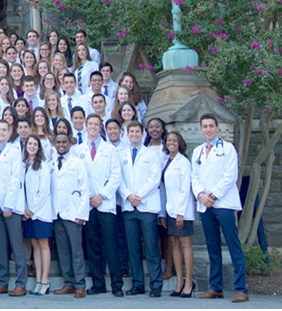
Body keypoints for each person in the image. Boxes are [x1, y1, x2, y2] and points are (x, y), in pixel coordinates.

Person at [192, 114, 248, 302]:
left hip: (223, 203)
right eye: (205, 126)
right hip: (205, 204)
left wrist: (213, 195)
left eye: (211, 126)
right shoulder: (198, 151)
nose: (208, 129)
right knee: (212, 246)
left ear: (217, 128)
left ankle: (241, 288)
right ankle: (215, 287)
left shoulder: (228, 148)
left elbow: (230, 175)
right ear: (201, 129)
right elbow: (194, 177)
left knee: (233, 245)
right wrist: (201, 195)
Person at [74, 114, 124, 297]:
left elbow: (116, 176)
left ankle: (117, 284)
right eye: (90, 124)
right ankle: (98, 283)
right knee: (93, 246)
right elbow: (77, 177)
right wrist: (88, 197)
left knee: (110, 245)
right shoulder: (78, 150)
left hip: (105, 203)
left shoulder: (110, 150)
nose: (93, 127)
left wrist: (101, 195)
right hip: (88, 204)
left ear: (100, 127)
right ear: (86, 126)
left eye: (96, 124)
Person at [118, 121, 163, 297]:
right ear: (127, 134)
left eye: (137, 131)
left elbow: (155, 179)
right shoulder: (121, 154)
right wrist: (129, 196)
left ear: (142, 134)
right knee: (133, 248)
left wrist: (139, 196)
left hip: (147, 206)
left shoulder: (151, 154)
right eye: (132, 132)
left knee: (151, 248)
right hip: (129, 207)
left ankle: (156, 285)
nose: (134, 134)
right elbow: (118, 178)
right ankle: (138, 284)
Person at [0, 119, 27, 296]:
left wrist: (9, 205)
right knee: (1, 244)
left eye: (4, 129)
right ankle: (2, 282)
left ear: (10, 132)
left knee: (16, 244)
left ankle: (21, 283)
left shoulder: (15, 151)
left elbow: (15, 179)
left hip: (10, 204)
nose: (1, 132)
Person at [50, 133, 89, 298]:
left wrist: (82, 213)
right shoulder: (51, 163)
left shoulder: (77, 163)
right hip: (57, 212)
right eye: (58, 142)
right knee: (63, 251)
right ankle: (68, 283)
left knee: (76, 250)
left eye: (64, 142)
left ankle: (80, 285)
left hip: (73, 213)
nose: (61, 145)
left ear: (70, 144)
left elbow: (84, 189)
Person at [160, 131, 196, 298]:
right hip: (170, 209)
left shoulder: (184, 162)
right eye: (169, 141)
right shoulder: (168, 160)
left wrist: (180, 213)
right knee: (174, 243)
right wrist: (164, 212)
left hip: (182, 210)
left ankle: (189, 282)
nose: (171, 143)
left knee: (185, 244)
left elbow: (185, 188)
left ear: (179, 143)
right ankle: (179, 282)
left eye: (174, 141)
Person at [23, 135, 53, 295]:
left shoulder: (43, 165)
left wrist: (32, 209)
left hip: (40, 212)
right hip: (27, 213)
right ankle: (38, 280)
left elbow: (44, 190)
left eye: (35, 144)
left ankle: (45, 280)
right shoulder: (23, 164)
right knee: (35, 245)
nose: (32, 146)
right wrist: (25, 209)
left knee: (43, 244)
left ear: (39, 147)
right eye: (30, 143)